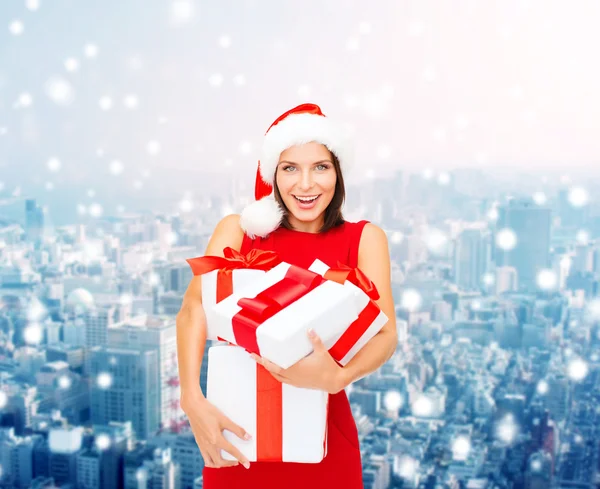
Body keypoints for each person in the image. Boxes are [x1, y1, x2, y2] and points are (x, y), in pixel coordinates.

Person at [176, 103, 397, 489]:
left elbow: (386, 334)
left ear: (338, 173)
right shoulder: (238, 230)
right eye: (290, 168)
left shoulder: (364, 239)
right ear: (272, 175)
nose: (306, 184)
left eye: (321, 167)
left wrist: (339, 377)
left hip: (325, 437)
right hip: (237, 432)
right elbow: (193, 309)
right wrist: (191, 399)